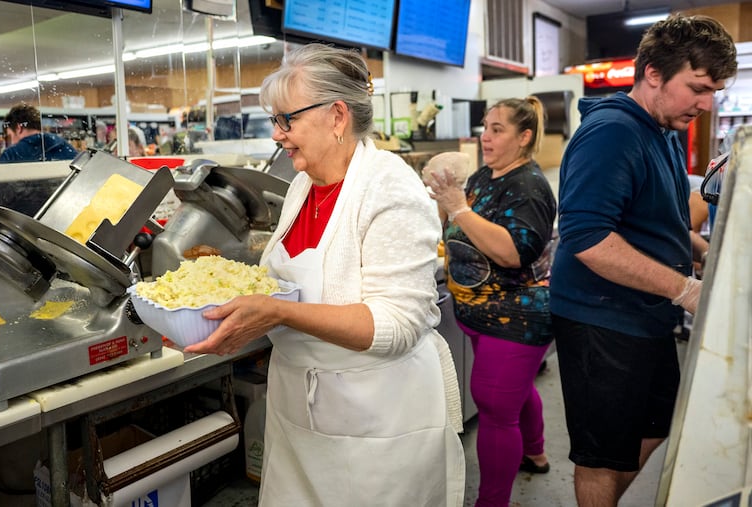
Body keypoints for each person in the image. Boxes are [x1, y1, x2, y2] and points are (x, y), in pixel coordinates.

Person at [184, 43, 466, 506]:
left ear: (337, 116)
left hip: (376, 424)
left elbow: (396, 325)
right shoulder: (302, 186)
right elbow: (285, 282)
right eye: (275, 120)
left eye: (286, 119)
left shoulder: (389, 187)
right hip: (299, 416)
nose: (278, 135)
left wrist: (277, 311)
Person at [549, 14, 737, 507]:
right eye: (697, 87)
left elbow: (662, 223)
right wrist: (687, 290)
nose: (705, 102)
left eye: (713, 90)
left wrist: (715, 255)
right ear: (653, 72)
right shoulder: (612, 133)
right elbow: (587, 238)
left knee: (656, 422)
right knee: (601, 454)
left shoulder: (662, 132)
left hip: (647, 314)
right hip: (601, 319)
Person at [424, 97, 557, 507]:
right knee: (517, 389)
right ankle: (535, 451)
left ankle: (492, 501)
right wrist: (446, 205)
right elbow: (460, 221)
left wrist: (458, 209)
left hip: (516, 317)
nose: (487, 136)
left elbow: (514, 253)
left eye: (498, 129)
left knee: (496, 407)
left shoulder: (529, 187)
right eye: (486, 126)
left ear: (525, 137)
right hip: (481, 314)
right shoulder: (486, 175)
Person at [0, 103, 78, 163]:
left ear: (19, 128)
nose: (12, 142)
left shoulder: (11, 154)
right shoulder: (65, 146)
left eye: (10, 136)